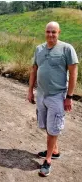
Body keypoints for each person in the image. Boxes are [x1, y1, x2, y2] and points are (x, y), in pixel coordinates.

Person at [27, 21, 79, 177]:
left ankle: (48, 160)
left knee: (53, 128)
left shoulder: (66, 49)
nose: (50, 35)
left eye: (53, 32)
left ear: (59, 32)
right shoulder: (39, 49)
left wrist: (69, 96)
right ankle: (54, 150)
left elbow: (74, 73)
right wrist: (30, 90)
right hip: (42, 94)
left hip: (57, 95)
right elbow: (34, 70)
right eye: (48, 31)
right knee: (45, 125)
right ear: (45, 32)